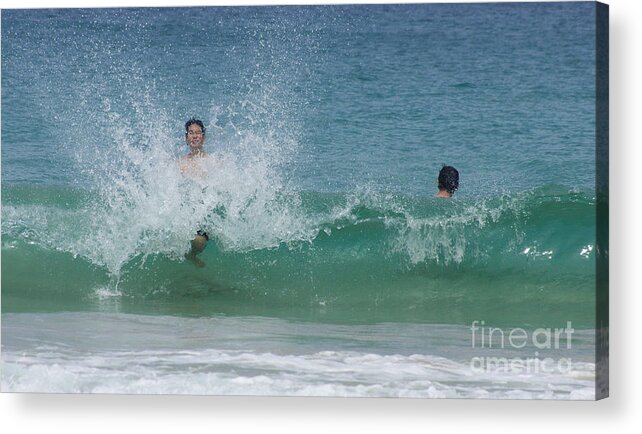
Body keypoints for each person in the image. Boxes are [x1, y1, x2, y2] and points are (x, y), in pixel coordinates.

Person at [179, 118, 210, 266]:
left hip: (204, 209)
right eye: (191, 133)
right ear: (186, 138)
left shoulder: (212, 162)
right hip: (185, 209)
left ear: (203, 138)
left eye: (198, 133)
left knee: (199, 241)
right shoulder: (180, 164)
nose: (195, 136)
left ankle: (191, 255)